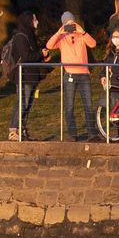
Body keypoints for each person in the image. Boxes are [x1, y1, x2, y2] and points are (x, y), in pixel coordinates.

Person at [44, 12, 99, 142]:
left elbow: (93, 44)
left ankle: (92, 133)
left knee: (88, 105)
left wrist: (83, 32)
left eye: (72, 23)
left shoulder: (81, 36)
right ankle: (72, 134)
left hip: (84, 74)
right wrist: (59, 32)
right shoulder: (62, 38)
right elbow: (49, 46)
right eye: (67, 24)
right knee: (69, 106)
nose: (70, 27)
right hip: (69, 74)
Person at [0, 12, 41, 139]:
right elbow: (26, 56)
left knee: (27, 104)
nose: (36, 21)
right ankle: (13, 130)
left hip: (32, 74)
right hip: (24, 75)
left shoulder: (30, 35)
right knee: (22, 102)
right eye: (34, 19)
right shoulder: (21, 37)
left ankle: (21, 128)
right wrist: (41, 54)